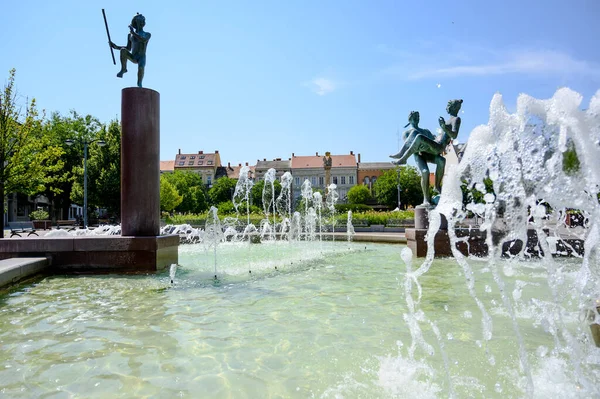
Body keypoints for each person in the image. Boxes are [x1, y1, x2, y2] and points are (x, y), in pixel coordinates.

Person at [390, 99, 463, 206]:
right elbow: (411, 144)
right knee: (427, 170)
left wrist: (442, 128)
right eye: (414, 117)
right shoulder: (407, 133)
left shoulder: (454, 120)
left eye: (418, 117)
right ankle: (427, 198)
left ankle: (403, 158)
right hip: (419, 154)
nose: (417, 119)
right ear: (409, 120)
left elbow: (452, 135)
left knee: (420, 137)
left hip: (434, 149)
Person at [109, 13, 151, 88]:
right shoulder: (130, 35)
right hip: (134, 56)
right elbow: (128, 48)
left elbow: (143, 40)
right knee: (123, 50)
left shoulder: (147, 34)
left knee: (141, 69)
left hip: (141, 57)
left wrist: (133, 33)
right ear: (135, 22)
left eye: (142, 21)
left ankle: (139, 83)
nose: (141, 23)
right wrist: (115, 46)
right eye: (139, 21)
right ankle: (123, 69)